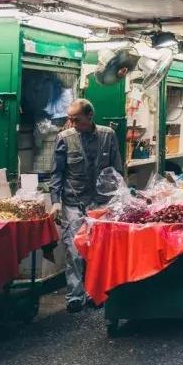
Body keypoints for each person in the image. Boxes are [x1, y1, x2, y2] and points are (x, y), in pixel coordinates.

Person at [50, 98, 123, 313]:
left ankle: (95, 292)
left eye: (77, 119)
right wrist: (55, 202)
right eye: (69, 119)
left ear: (90, 116)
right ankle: (75, 296)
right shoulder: (64, 138)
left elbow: (117, 169)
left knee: (97, 250)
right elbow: (57, 173)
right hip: (73, 202)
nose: (72, 124)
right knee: (73, 249)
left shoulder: (108, 136)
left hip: (101, 202)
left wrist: (119, 197)